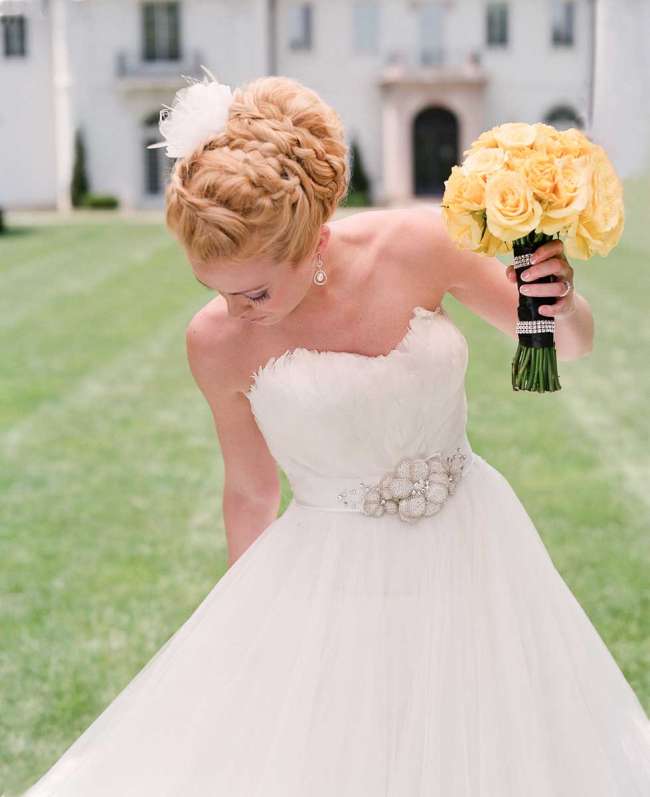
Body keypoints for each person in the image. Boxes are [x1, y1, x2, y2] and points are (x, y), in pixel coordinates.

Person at [23, 73, 650, 796]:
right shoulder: (218, 342)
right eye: (214, 289)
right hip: (330, 573)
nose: (236, 310)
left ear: (315, 242)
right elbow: (251, 491)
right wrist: (250, 635)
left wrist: (561, 303)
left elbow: (567, 345)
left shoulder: (418, 245)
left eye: (254, 291)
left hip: (476, 542)